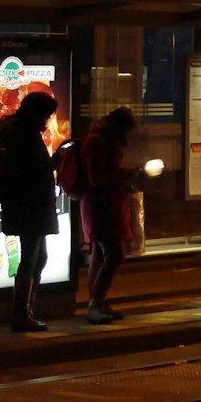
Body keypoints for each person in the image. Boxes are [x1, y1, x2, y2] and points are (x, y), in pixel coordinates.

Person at [0, 91, 61, 333]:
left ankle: (27, 310)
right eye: (47, 114)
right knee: (31, 258)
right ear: (38, 114)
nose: (49, 119)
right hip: (29, 206)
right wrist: (55, 162)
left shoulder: (18, 133)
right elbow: (33, 174)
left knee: (37, 257)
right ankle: (22, 313)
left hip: (24, 205)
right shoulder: (27, 137)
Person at [80, 106, 137, 325]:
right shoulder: (98, 141)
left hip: (105, 205)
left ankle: (98, 302)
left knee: (99, 255)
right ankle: (96, 302)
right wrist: (124, 176)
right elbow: (97, 177)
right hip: (101, 207)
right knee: (115, 254)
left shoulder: (100, 138)